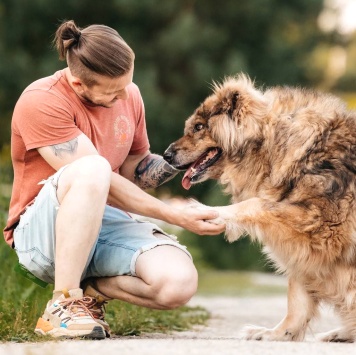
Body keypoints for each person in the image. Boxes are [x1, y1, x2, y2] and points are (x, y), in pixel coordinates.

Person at [3, 20, 225, 339]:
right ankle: (62, 305)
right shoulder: (41, 101)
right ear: (80, 85)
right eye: (113, 91)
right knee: (94, 168)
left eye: (127, 85)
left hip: (103, 224)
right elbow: (100, 176)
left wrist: (194, 153)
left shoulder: (129, 94)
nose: (124, 97)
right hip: (42, 235)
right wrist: (175, 215)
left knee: (178, 283)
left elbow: (137, 171)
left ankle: (89, 291)